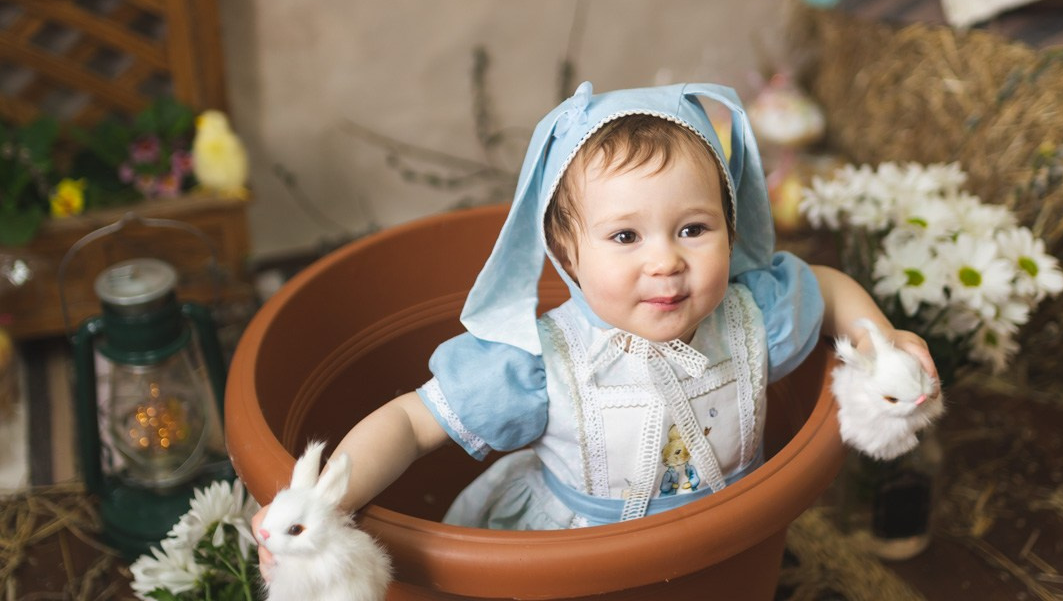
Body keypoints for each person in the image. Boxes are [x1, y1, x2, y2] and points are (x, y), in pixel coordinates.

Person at [254, 82, 936, 559]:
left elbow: (825, 284)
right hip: (577, 562)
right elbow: (410, 421)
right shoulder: (541, 365)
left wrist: (882, 340)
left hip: (727, 546)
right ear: (567, 254)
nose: (666, 262)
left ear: (731, 227)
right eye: (625, 238)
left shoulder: (755, 319)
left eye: (694, 228)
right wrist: (321, 502)